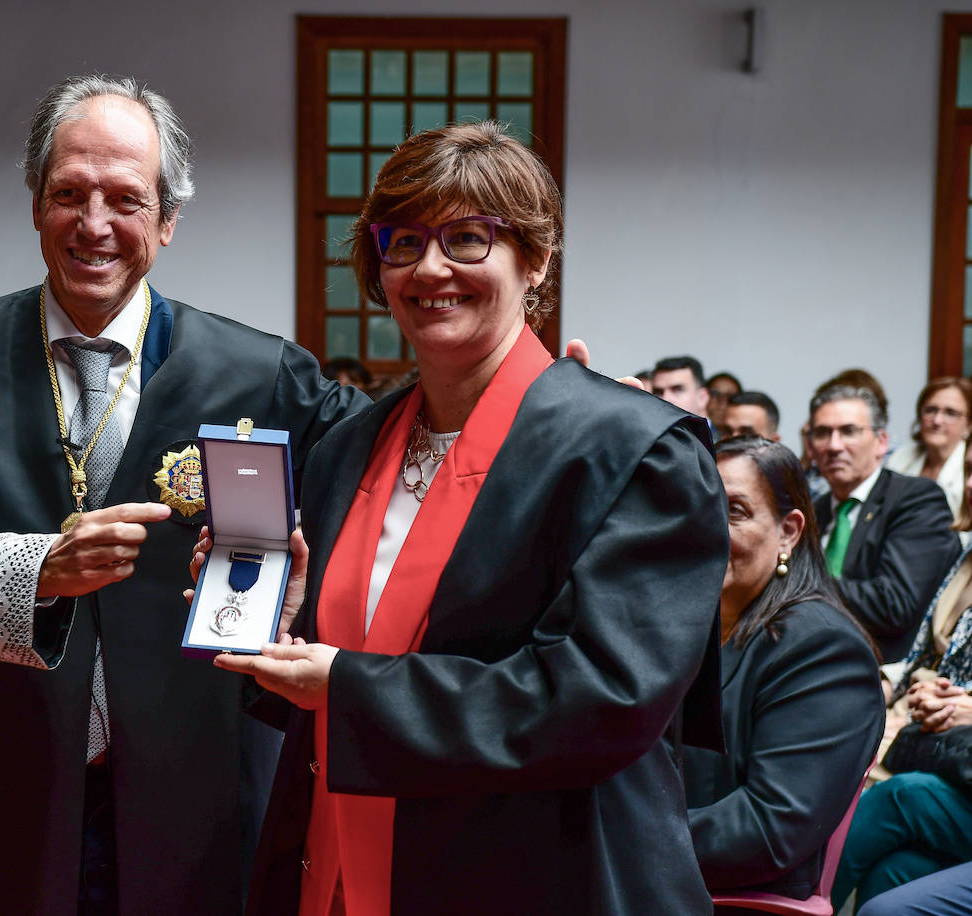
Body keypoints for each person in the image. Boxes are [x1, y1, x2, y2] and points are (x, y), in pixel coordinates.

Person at [0, 75, 365, 915]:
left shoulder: (263, 374)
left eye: (125, 199)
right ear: (36, 204)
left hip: (200, 781)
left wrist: (523, 407)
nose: (94, 225)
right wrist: (37, 570)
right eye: (69, 194)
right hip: (0, 772)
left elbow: (387, 471)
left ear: (166, 221)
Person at [212, 121, 730, 915]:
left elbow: (603, 699)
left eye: (467, 239)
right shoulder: (350, 447)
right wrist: (274, 628)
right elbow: (331, 671)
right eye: (403, 242)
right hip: (340, 859)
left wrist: (350, 684)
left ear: (537, 259)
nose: (430, 269)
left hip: (540, 873)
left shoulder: (632, 448)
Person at [683, 436, 883, 903]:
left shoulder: (822, 647)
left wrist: (619, 841)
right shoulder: (695, 626)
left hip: (729, 895)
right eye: (699, 504)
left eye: (733, 511)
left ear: (789, 531)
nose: (708, 527)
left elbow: (768, 827)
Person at [832, 534, 972, 908]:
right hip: (937, 730)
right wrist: (904, 684)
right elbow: (924, 655)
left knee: (901, 795)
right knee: (894, 872)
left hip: (949, 748)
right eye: (970, 472)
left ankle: (796, 903)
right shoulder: (964, 553)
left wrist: (961, 703)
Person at [810, 385, 961, 660]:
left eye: (849, 431)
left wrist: (797, 582)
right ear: (809, 445)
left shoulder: (915, 499)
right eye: (822, 433)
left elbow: (895, 605)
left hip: (879, 668)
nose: (834, 445)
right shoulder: (811, 511)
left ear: (881, 442)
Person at [887, 377, 972, 524]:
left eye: (950, 413)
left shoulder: (969, 465)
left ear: (969, 425)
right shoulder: (902, 455)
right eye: (930, 410)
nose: (937, 421)